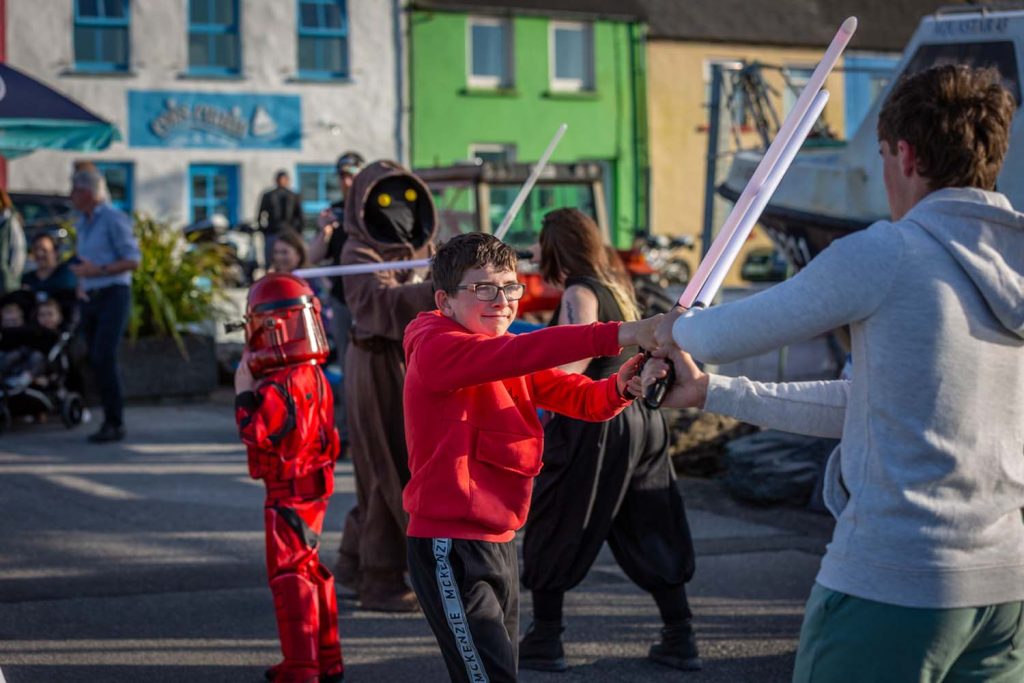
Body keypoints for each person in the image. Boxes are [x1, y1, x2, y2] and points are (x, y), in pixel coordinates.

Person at [646, 65, 1024, 682]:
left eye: (880, 155)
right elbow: (865, 406)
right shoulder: (1013, 266)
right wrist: (716, 392)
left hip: (894, 579)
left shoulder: (890, 252)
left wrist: (670, 329)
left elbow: (718, 332)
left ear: (904, 153)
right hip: (1005, 590)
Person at [402, 232, 661, 683]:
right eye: (483, 288)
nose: (501, 300)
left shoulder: (500, 348)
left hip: (500, 541)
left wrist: (623, 385)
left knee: (501, 672)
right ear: (444, 300)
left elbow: (582, 398)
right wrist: (628, 332)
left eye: (510, 286)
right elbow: (526, 349)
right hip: (449, 545)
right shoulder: (435, 345)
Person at [519, 208, 700, 672]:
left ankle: (545, 637)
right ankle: (680, 635)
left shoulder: (580, 290)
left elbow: (573, 361)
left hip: (595, 418)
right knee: (649, 518)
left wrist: (517, 376)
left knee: (558, 516)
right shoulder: (617, 283)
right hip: (641, 419)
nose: (536, 253)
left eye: (541, 243)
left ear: (557, 245)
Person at [334, 160, 438, 612]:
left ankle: (354, 564)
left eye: (407, 200)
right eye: (386, 201)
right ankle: (380, 576)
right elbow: (377, 302)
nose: (399, 211)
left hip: (412, 363)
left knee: (406, 463)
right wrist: (438, 286)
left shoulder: (425, 246)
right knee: (385, 467)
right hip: (375, 361)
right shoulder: (358, 253)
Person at [234, 272, 344, 683]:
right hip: (314, 484)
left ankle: (302, 666)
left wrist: (244, 390)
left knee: (289, 575)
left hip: (288, 490)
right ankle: (327, 658)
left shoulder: (280, 383)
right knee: (310, 569)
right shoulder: (314, 373)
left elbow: (254, 431)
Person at [68, 164, 140, 443]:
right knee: (88, 356)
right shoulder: (83, 221)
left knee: (104, 356)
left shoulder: (113, 219)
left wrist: (98, 271)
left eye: (74, 190)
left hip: (113, 293)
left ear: (87, 191)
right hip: (91, 295)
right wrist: (81, 283)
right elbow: (84, 261)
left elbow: (132, 260)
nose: (71, 196)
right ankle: (94, 412)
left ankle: (114, 421)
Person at [308, 151, 364, 452]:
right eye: (342, 175)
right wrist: (325, 230)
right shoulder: (336, 211)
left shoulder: (375, 209)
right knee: (346, 367)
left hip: (373, 302)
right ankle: (345, 433)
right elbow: (313, 258)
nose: (347, 180)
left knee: (376, 369)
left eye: (352, 173)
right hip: (344, 301)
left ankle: (372, 433)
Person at [257, 171, 304, 269]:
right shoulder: (268, 195)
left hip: (289, 233)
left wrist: (297, 232)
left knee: (290, 261)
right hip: (272, 232)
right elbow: (260, 215)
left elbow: (300, 216)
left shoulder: (293, 196)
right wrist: (264, 230)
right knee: (270, 260)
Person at [22, 233, 78, 298]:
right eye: (36, 249)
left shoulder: (67, 274)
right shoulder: (27, 279)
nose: (39, 253)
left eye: (44, 250)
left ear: (55, 252)